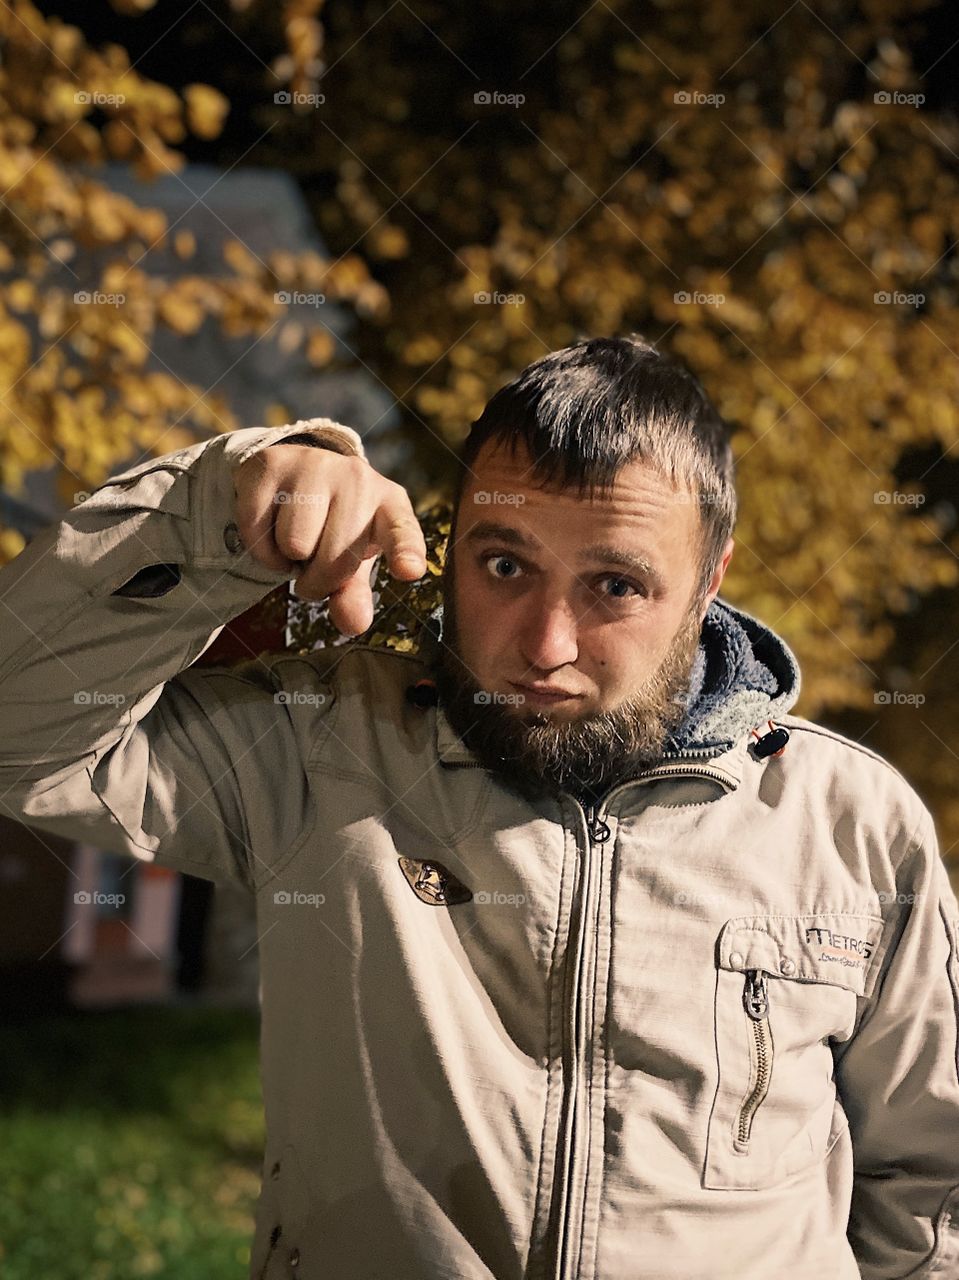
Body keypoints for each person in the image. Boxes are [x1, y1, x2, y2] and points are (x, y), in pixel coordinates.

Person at [2, 334, 958, 1280]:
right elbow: (20, 736)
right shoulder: (318, 744)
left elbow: (929, 1189)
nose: (544, 644)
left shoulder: (852, 822)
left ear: (708, 582)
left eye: (614, 586)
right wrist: (211, 511)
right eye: (505, 566)